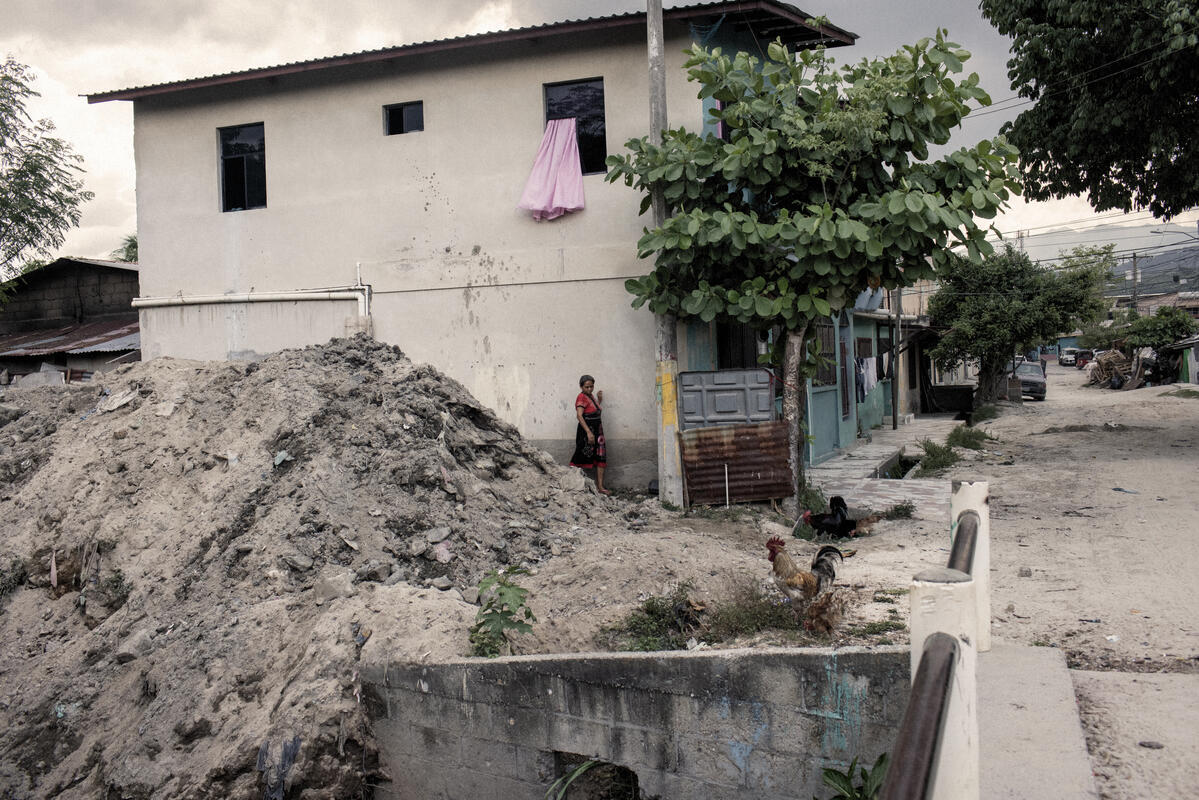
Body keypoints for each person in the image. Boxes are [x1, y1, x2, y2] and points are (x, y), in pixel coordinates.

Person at [569, 374, 609, 494]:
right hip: (587, 432)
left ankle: (600, 487)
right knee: (580, 455)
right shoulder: (581, 397)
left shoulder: (590, 396)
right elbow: (579, 416)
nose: (590, 389)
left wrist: (599, 400)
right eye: (587, 387)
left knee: (601, 455)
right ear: (581, 387)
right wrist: (588, 433)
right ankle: (573, 483)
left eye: (591, 386)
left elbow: (594, 410)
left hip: (598, 431)